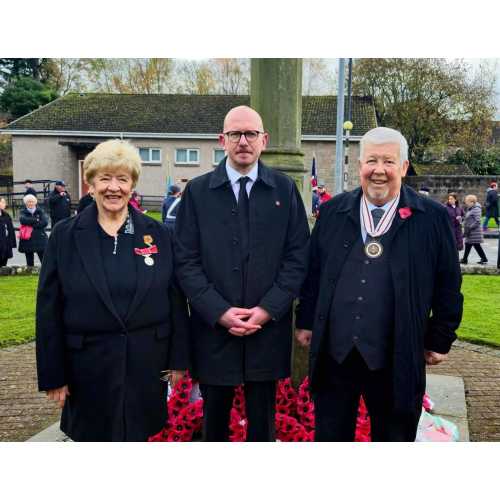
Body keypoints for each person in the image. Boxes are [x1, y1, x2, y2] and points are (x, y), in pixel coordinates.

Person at [295, 126, 463, 442]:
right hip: (336, 352)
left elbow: (448, 283)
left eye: (389, 161)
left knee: (393, 439)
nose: (379, 171)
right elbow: (313, 271)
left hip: (397, 353)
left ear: (403, 166)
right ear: (360, 166)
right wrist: (305, 321)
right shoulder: (333, 211)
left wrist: (440, 337)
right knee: (331, 439)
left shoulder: (432, 217)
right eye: (372, 161)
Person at [36, 139, 190, 442]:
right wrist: (53, 375)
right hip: (87, 368)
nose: (113, 187)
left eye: (122, 179)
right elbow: (48, 310)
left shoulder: (157, 234)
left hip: (147, 364)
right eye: (104, 178)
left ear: (132, 185)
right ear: (90, 183)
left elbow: (175, 299)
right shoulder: (65, 237)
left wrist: (179, 359)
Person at [175, 105, 309, 441]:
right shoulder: (198, 192)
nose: (243, 141)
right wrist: (218, 311)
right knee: (214, 424)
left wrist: (268, 310)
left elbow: (298, 257)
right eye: (235, 134)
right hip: (214, 331)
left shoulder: (283, 190)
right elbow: (185, 261)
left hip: (267, 331)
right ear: (223, 140)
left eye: (251, 134)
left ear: (264, 140)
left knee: (263, 426)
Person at [18, 194, 48, 267]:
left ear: (35, 202)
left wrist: (30, 225)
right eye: (28, 202)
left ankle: (45, 274)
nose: (30, 203)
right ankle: (29, 273)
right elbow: (23, 220)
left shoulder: (40, 211)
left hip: (40, 237)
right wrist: (36, 220)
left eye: (32, 201)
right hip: (28, 239)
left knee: (43, 259)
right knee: (29, 260)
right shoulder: (23, 211)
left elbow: (44, 222)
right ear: (26, 203)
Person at [461, 194, 488, 265]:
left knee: (470, 244)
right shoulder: (472, 208)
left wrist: (470, 227)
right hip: (471, 232)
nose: (466, 204)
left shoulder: (476, 209)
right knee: (472, 245)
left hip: (474, 232)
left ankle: (465, 259)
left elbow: (478, 221)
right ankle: (483, 258)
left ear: (472, 202)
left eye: (467, 202)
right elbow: (468, 218)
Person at [0, 197, 16, 267]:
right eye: (2, 202)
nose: (4, 204)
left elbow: (11, 230)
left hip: (6, 243)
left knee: (4, 264)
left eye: (4, 202)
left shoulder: (6, 215)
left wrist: (11, 243)